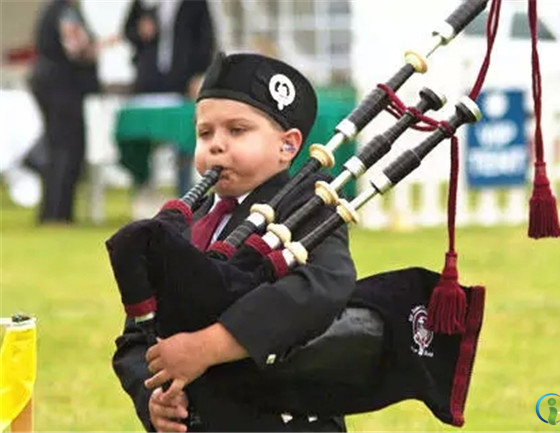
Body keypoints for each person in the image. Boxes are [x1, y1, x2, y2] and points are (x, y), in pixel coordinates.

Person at [112, 52, 357, 432]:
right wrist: (153, 400)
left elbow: (318, 289)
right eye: (205, 132)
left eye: (237, 130)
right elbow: (137, 333)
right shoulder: (181, 224)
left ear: (288, 146)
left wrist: (206, 347)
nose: (216, 145)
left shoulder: (308, 208)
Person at [121, 0, 216, 206]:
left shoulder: (195, 4)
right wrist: (140, 32)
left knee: (183, 139)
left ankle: (185, 196)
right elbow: (128, 31)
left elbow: (206, 39)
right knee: (141, 137)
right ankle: (144, 189)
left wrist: (199, 75)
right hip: (148, 82)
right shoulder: (144, 4)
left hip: (182, 82)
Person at [29, 0, 100, 224]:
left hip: (48, 84)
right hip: (63, 87)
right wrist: (96, 48)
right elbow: (76, 47)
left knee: (55, 149)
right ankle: (60, 214)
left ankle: (50, 212)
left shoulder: (51, 10)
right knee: (68, 150)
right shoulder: (67, 12)